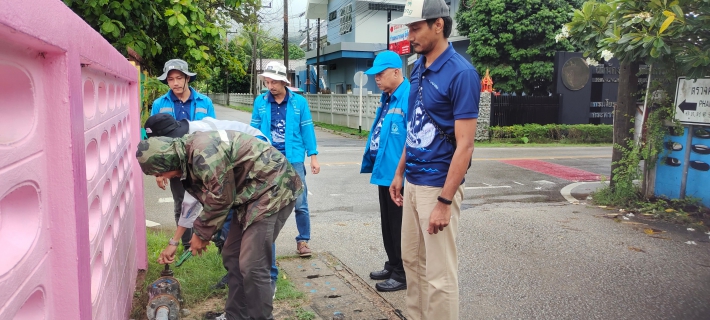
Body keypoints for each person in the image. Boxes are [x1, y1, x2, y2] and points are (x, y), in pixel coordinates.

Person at [136, 131, 303, 320]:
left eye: (159, 172)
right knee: (232, 254)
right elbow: (206, 198)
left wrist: (201, 234)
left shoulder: (202, 151)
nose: (161, 177)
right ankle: (235, 316)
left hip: (273, 187)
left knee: (252, 264)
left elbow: (221, 196)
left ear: (165, 161)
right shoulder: (187, 157)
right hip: (249, 195)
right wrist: (200, 234)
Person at [388, 0, 481, 319]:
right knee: (413, 264)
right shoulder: (418, 69)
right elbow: (415, 124)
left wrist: (444, 200)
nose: (409, 35)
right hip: (413, 182)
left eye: (415, 28)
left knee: (440, 275)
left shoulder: (462, 73)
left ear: (438, 25)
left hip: (437, 188)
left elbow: (465, 145)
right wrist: (400, 172)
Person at [143, 113, 282, 295]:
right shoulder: (183, 146)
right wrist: (177, 241)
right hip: (230, 172)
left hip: (257, 158)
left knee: (255, 224)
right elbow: (197, 197)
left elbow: (202, 199)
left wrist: (198, 235)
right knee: (228, 229)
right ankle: (237, 275)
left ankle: (267, 279)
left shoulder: (200, 143)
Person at [250, 61, 320, 257]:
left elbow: (307, 129)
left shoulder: (299, 102)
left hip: (294, 158)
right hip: (268, 159)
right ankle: (265, 243)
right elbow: (253, 131)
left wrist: (313, 156)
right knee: (266, 202)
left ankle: (303, 240)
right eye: (267, 82)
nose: (270, 86)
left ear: (283, 81)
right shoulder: (261, 102)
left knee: (300, 202)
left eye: (274, 82)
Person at [150, 58, 216, 252]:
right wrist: (159, 172)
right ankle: (187, 244)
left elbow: (213, 132)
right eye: (171, 79)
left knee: (208, 200)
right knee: (181, 201)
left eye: (179, 78)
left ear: (187, 78)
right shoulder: (159, 104)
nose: (175, 83)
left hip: (201, 160)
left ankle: (207, 239)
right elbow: (154, 142)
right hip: (175, 164)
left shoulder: (205, 102)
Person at [359, 51, 409, 292]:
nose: (376, 79)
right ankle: (393, 263)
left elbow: (412, 139)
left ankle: (402, 273)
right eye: (374, 75)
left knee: (399, 224)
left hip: (398, 175)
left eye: (380, 74)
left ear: (396, 72)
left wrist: (401, 174)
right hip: (384, 171)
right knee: (387, 223)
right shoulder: (387, 97)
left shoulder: (408, 96)